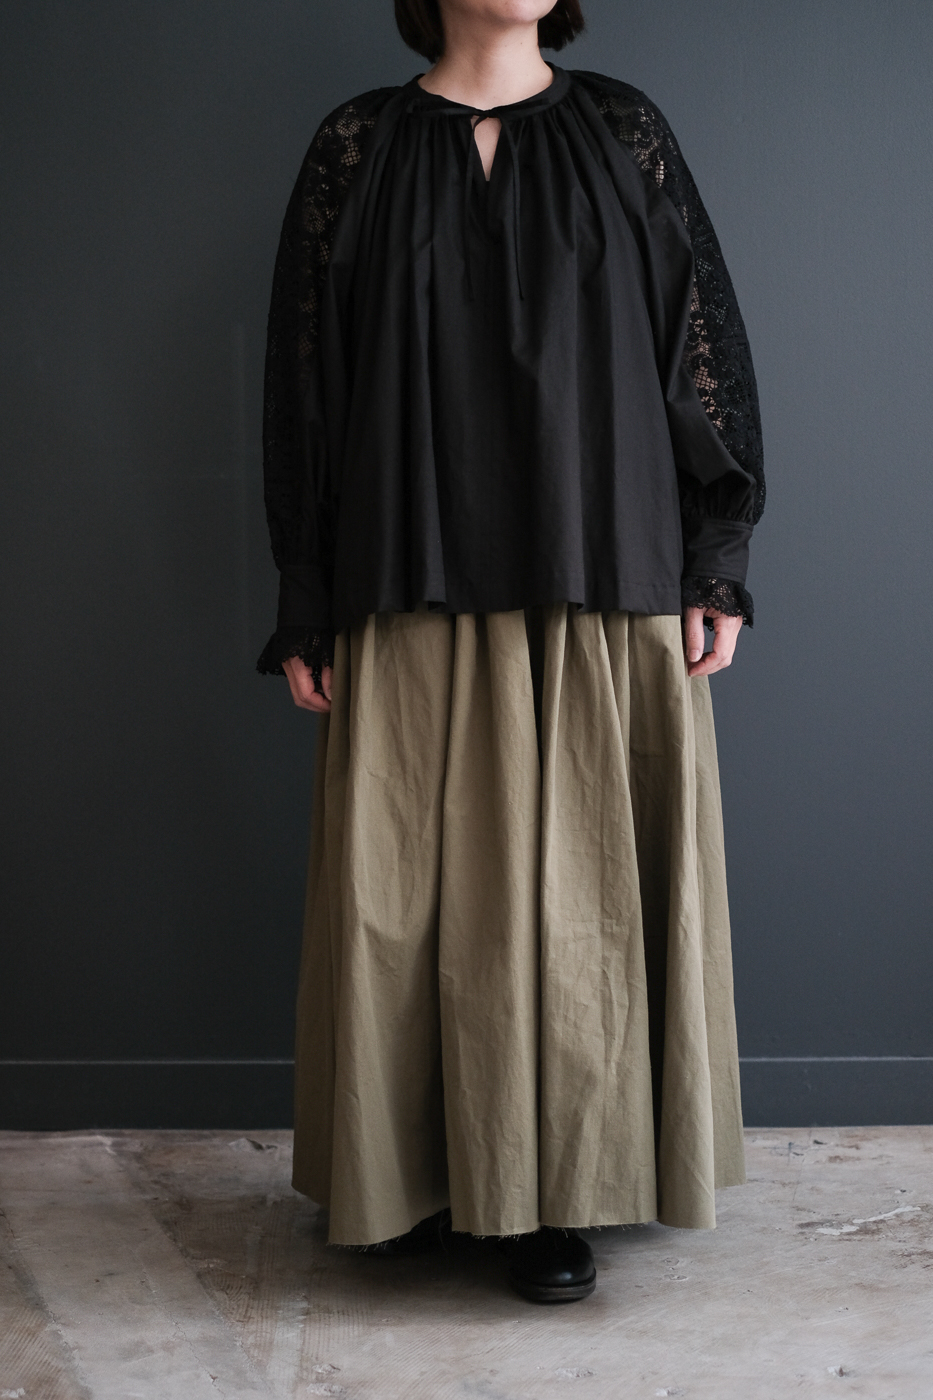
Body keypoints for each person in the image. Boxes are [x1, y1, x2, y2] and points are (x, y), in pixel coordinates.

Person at [257, 0, 764, 1304]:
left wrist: (717, 554)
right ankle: (413, 1177)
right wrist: (305, 591)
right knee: (413, 896)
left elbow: (698, 344)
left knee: (583, 897)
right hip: (408, 565)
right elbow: (306, 381)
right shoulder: (357, 145)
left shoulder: (622, 129)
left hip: (601, 564)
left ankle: (558, 1193)